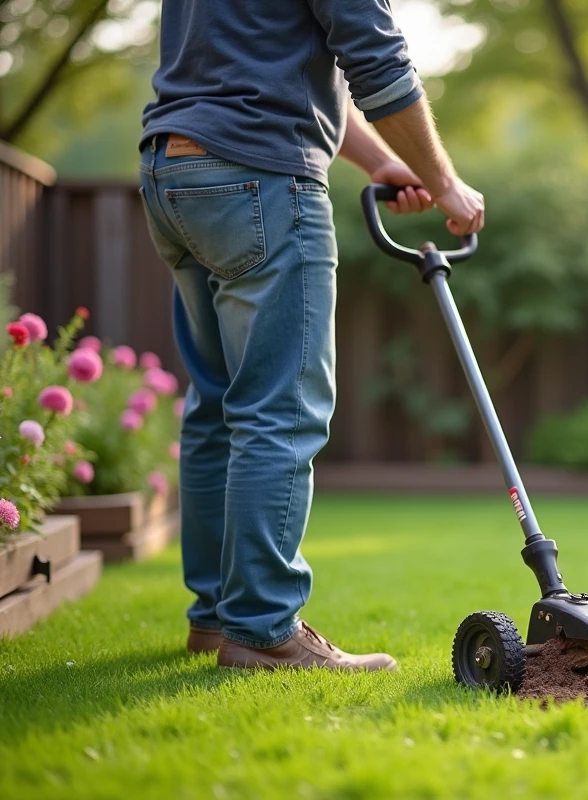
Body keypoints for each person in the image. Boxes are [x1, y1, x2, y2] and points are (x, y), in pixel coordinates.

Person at [137, 0, 483, 672]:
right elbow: (377, 59)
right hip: (260, 177)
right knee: (281, 407)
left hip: (173, 170)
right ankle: (262, 629)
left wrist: (382, 161)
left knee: (217, 404)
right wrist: (445, 183)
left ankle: (216, 617)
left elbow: (279, 66)